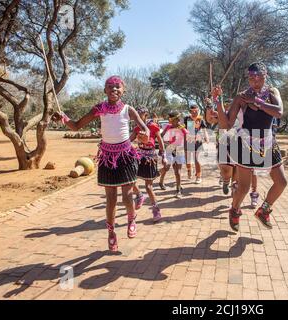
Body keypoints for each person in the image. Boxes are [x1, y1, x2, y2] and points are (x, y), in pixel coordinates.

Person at [52, 76, 150, 252]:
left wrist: (145, 134)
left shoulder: (129, 109)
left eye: (118, 87)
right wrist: (63, 118)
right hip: (107, 158)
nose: (114, 90)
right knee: (111, 199)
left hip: (126, 156)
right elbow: (75, 126)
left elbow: (145, 127)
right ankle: (111, 233)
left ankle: (131, 219)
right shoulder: (99, 109)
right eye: (110, 87)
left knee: (127, 196)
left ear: (123, 90)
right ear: (105, 90)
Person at [214, 62, 288, 231]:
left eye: (257, 76)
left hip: (268, 142)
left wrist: (256, 101)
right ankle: (234, 210)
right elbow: (226, 124)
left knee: (282, 182)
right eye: (251, 77)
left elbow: (279, 112)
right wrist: (218, 100)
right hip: (247, 143)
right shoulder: (241, 97)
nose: (254, 80)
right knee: (244, 187)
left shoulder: (272, 92)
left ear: (265, 75)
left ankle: (264, 210)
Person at [130, 107, 167, 223]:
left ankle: (156, 209)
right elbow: (129, 139)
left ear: (145, 114)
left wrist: (163, 155)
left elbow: (160, 141)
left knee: (148, 187)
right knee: (130, 181)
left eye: (139, 113)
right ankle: (139, 195)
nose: (137, 116)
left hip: (150, 158)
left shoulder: (152, 126)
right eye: (136, 114)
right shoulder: (136, 128)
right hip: (138, 156)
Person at [159, 111, 189, 198]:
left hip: (179, 150)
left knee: (177, 172)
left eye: (179, 119)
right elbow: (161, 135)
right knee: (166, 167)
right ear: (172, 120)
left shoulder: (182, 128)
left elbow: (188, 137)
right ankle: (161, 181)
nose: (179, 121)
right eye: (177, 119)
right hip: (169, 149)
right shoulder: (168, 127)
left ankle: (178, 189)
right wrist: (165, 141)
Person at [184, 105, 209, 183]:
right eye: (193, 111)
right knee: (188, 160)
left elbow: (204, 129)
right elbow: (182, 128)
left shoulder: (201, 119)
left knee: (197, 160)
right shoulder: (186, 119)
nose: (195, 112)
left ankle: (198, 176)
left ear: (198, 111)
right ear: (190, 111)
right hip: (188, 141)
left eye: (196, 111)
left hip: (198, 142)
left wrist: (206, 137)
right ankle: (189, 170)